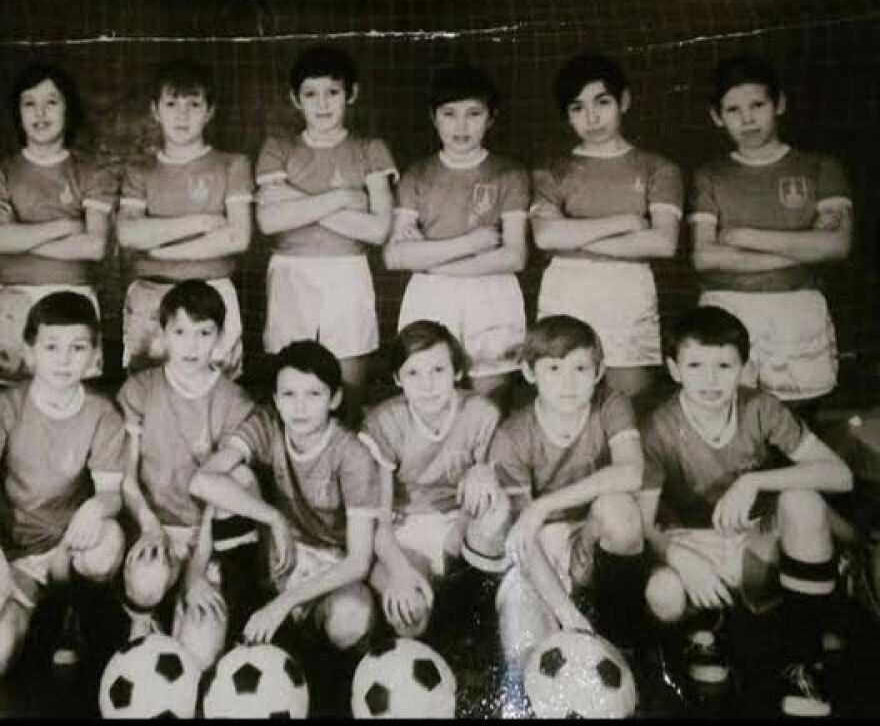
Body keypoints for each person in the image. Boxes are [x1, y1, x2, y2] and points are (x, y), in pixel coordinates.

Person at [640, 306, 853, 717]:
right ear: (674, 369)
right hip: (693, 545)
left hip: (752, 542)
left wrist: (753, 481)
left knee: (803, 500)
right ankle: (704, 635)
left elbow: (839, 475)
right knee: (662, 592)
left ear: (744, 368)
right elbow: (642, 523)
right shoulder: (658, 427)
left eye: (724, 365)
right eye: (696, 365)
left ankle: (802, 661)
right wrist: (680, 558)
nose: (710, 379)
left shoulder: (760, 407)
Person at [0, 291, 127, 676]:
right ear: (30, 351)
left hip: (70, 549)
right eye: (52, 347)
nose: (64, 360)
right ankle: (38, 614)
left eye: (78, 347)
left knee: (107, 541)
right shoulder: (1, 408)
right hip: (16, 553)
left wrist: (96, 506)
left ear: (94, 354)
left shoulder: (103, 412)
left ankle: (73, 611)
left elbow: (111, 494)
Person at [480, 315, 652, 671]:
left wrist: (543, 505)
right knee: (525, 654)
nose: (568, 383)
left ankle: (623, 644)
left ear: (599, 371)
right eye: (554, 369)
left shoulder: (610, 404)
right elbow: (524, 539)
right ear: (529, 373)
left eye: (580, 368)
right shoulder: (512, 435)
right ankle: (569, 618)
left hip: (591, 535)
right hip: (539, 551)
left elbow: (631, 471)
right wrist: (568, 614)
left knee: (620, 511)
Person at [190, 339, 381, 653]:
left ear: (334, 399)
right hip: (279, 553)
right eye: (289, 395)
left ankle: (317, 658)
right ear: (276, 400)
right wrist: (274, 518)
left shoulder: (353, 455)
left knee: (352, 616)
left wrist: (284, 603)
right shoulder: (267, 425)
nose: (300, 407)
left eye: (314, 394)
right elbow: (202, 481)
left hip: (329, 566)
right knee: (234, 479)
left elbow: (359, 561)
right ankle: (244, 618)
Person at [689, 54, 852, 420]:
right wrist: (803, 247)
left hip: (796, 310)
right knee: (729, 423)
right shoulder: (710, 175)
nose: (747, 119)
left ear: (779, 103)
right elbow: (705, 256)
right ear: (717, 116)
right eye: (733, 110)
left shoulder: (820, 167)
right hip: (727, 310)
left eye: (757, 105)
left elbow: (836, 244)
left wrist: (743, 235)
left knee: (795, 425)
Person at [117, 280, 260, 670]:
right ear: (163, 334)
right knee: (147, 579)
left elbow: (222, 492)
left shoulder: (235, 401)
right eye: (180, 332)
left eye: (203, 333)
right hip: (156, 527)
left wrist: (198, 570)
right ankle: (143, 615)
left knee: (199, 655)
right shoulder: (139, 389)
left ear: (221, 337)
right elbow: (127, 477)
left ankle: (187, 605)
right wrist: (148, 526)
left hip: (207, 537)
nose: (191, 345)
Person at [254, 46, 396, 421]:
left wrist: (294, 202)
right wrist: (344, 198)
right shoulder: (278, 147)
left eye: (332, 92)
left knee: (349, 390)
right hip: (290, 271)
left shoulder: (369, 149)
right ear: (295, 99)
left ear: (351, 94)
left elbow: (378, 229)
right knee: (292, 385)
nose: (322, 104)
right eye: (311, 94)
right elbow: (268, 222)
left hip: (348, 271)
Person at [529, 53, 682, 402]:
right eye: (577, 108)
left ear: (623, 101)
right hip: (566, 288)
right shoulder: (552, 170)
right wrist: (626, 223)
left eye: (602, 102)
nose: (592, 117)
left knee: (628, 402)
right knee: (566, 400)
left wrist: (573, 235)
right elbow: (545, 236)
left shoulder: (658, 168)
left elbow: (662, 242)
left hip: (627, 292)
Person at [383, 64, 530, 409]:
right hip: (431, 296)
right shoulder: (417, 175)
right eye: (449, 114)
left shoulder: (509, 174)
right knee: (430, 397)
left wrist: (428, 259)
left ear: (491, 118)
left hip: (490, 293)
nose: (461, 126)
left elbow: (514, 256)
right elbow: (395, 256)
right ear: (433, 118)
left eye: (473, 113)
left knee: (491, 405)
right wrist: (471, 244)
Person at [359, 320, 504, 638]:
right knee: (407, 608)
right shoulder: (384, 422)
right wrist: (400, 572)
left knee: (493, 506)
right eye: (413, 373)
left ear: (457, 372)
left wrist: (458, 534)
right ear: (397, 378)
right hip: (404, 531)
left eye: (438, 370)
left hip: (460, 522)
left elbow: (492, 490)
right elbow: (379, 524)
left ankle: (474, 630)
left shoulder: (480, 413)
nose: (427, 385)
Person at [0, 63, 117, 386]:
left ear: (69, 108)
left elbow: (94, 246)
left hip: (73, 305)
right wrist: (67, 226)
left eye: (51, 102)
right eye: (29, 103)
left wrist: (20, 239)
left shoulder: (93, 173)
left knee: (72, 398)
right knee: (10, 401)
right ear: (18, 112)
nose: (40, 113)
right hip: (13, 305)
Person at [116, 59, 252, 378]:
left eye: (193, 104)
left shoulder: (232, 165)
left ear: (210, 111)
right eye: (171, 104)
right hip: (151, 296)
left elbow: (237, 237)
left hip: (212, 293)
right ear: (155, 110)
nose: (182, 115)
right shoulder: (140, 171)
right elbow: (129, 234)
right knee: (148, 391)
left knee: (213, 390)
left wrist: (160, 250)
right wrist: (202, 223)